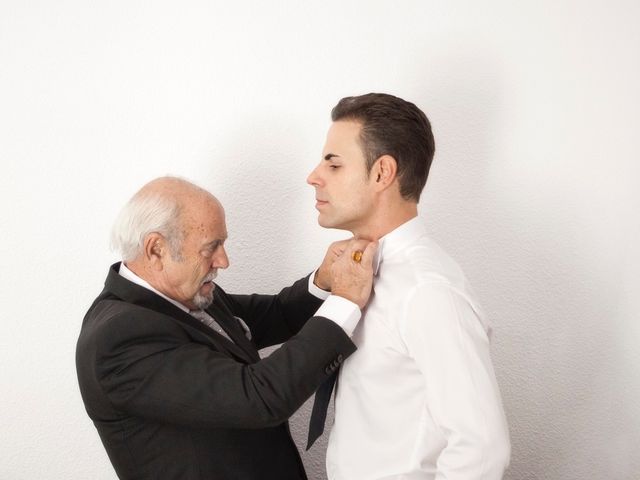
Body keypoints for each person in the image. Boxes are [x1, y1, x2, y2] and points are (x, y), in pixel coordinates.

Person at [75, 176, 376, 480]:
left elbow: (275, 315)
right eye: (211, 247)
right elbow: (259, 397)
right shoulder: (118, 339)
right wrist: (347, 300)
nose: (224, 260)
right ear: (156, 249)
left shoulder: (190, 292)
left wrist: (324, 281)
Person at [306, 93, 511, 479]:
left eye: (333, 164)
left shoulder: (427, 290)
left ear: (382, 173)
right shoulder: (360, 272)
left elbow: (482, 447)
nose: (313, 176)